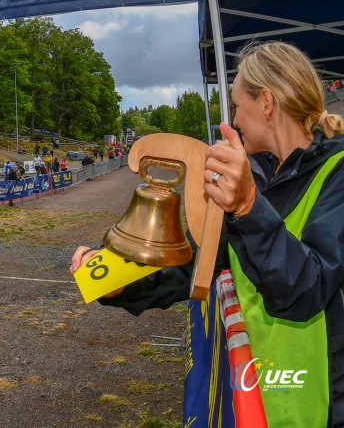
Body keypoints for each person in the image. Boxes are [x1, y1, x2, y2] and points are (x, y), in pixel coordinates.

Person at [70, 41, 344, 427]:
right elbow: (194, 266)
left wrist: (248, 206)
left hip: (320, 405)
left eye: (236, 106)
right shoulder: (253, 177)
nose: (231, 121)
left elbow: (308, 288)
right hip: (253, 399)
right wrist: (115, 283)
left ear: (266, 103)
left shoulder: (337, 173)